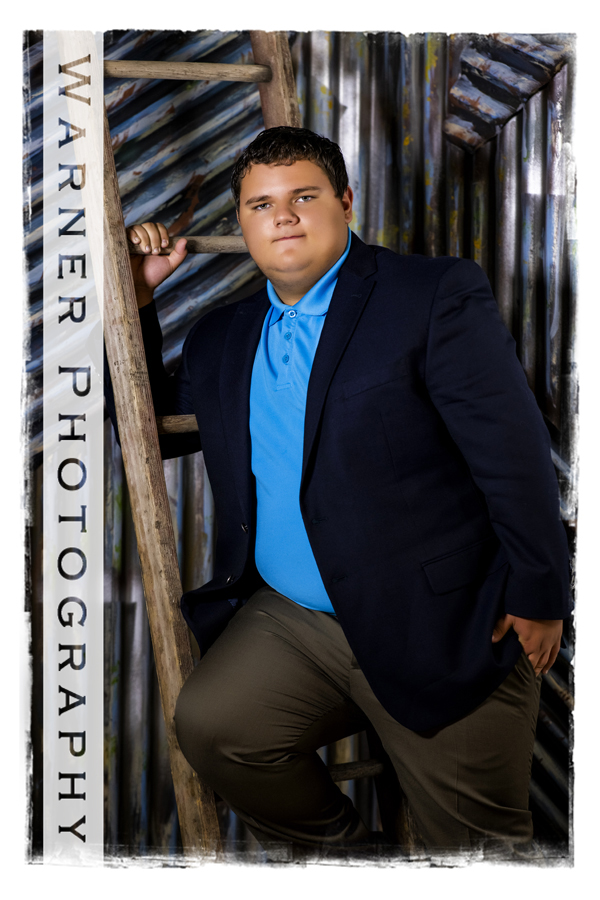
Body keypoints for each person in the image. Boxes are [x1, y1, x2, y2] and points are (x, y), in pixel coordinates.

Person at [108, 126, 572, 859]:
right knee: (213, 727)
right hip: (300, 620)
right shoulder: (221, 336)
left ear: (345, 203)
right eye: (261, 205)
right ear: (243, 224)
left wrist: (543, 593)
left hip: (442, 621)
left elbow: (512, 454)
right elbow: (160, 432)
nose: (282, 216)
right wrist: (137, 299)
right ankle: (356, 869)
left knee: (481, 855)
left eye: (303, 197)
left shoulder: (432, 296)